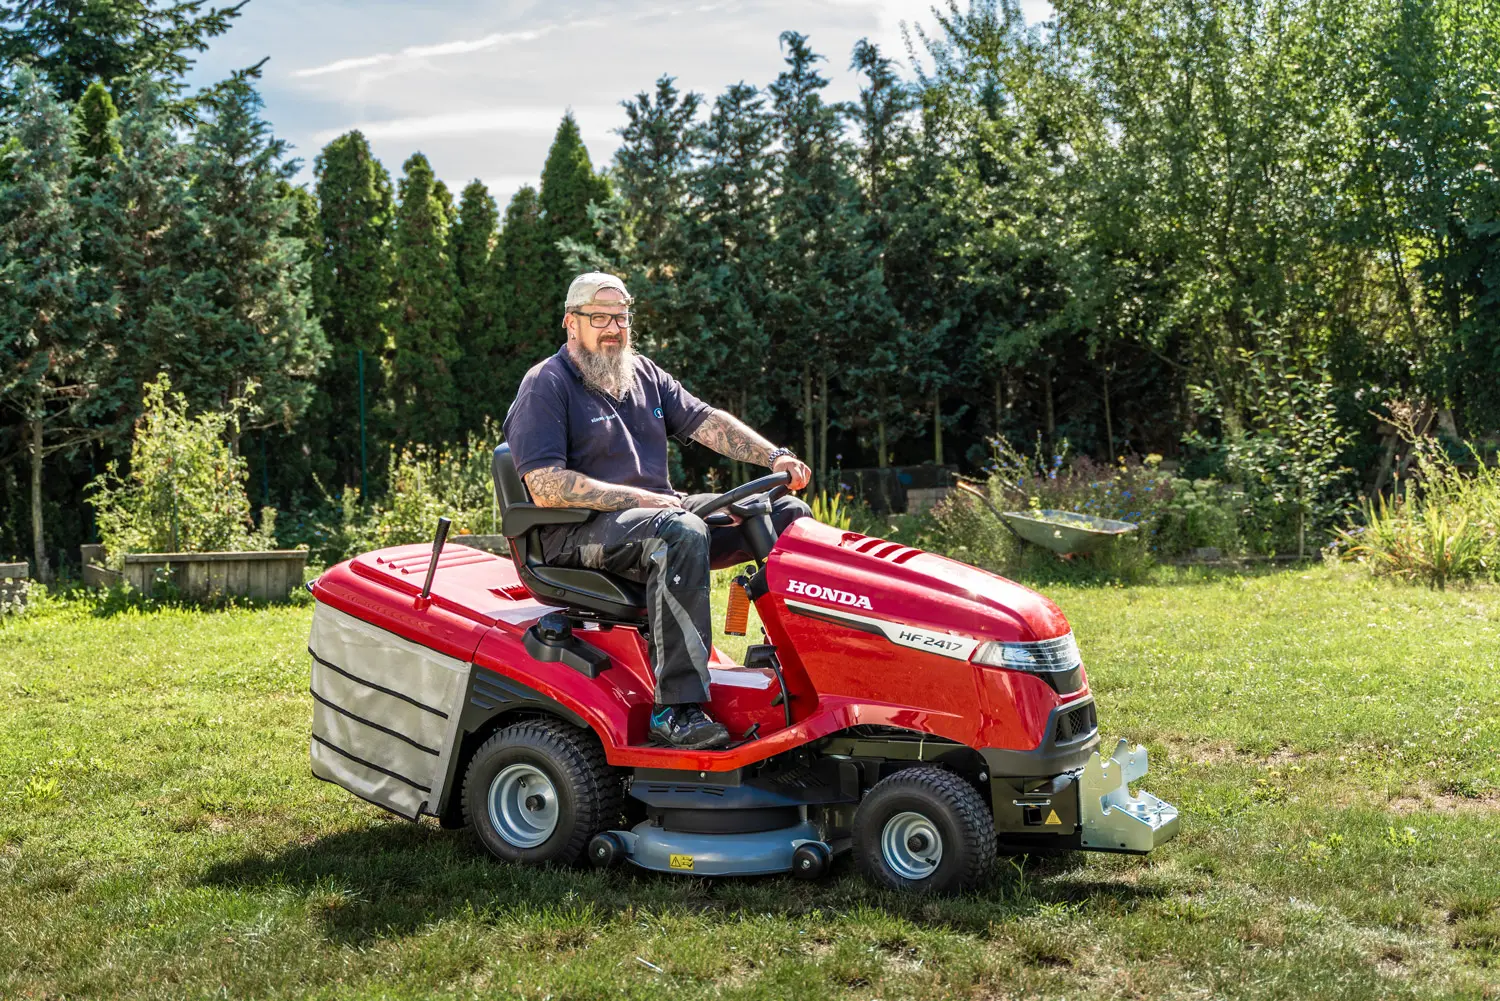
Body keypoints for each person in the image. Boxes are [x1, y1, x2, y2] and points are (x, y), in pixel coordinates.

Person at [503, 272, 814, 750]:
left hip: (653, 514)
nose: (613, 328)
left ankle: (801, 663)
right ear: (571, 323)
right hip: (573, 533)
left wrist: (775, 456)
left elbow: (708, 421)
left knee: (784, 513)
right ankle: (677, 710)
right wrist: (644, 500)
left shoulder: (642, 372)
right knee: (680, 531)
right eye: (599, 317)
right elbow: (546, 486)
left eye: (621, 317)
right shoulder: (546, 385)